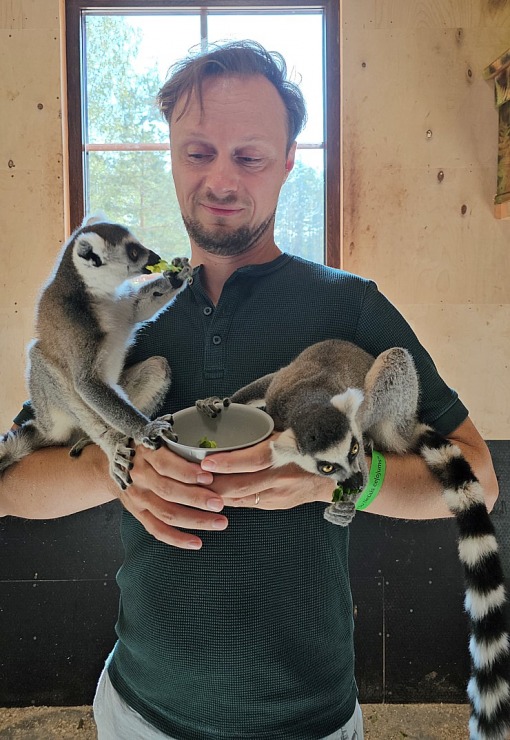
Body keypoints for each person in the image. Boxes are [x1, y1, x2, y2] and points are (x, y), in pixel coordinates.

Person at [0, 40, 498, 740]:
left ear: (290, 161)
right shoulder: (125, 311)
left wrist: (334, 483)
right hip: (140, 711)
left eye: (251, 156)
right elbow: (13, 483)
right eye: (198, 153)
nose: (222, 180)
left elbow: (480, 475)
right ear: (169, 155)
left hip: (311, 719)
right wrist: (121, 471)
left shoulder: (350, 307)